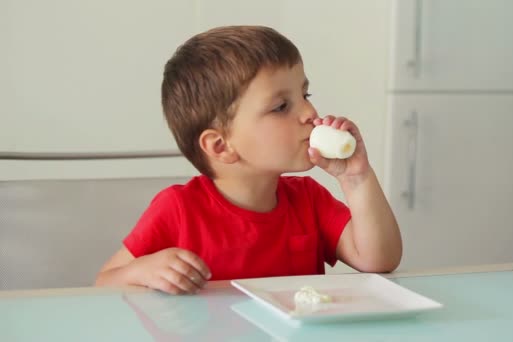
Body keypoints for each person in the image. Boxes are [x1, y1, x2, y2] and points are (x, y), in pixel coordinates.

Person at [95, 26, 402, 295]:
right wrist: (142, 271)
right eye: (281, 106)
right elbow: (103, 284)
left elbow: (379, 260)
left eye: (305, 95)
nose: (310, 113)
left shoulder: (309, 200)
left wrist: (356, 177)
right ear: (220, 145)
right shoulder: (177, 210)